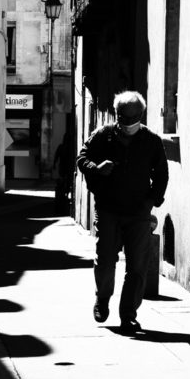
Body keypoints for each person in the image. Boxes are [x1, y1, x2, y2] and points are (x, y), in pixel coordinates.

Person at [76, 91, 168, 335]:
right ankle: (102, 299)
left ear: (141, 115)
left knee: (137, 266)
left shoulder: (151, 140)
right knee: (105, 261)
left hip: (138, 212)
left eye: (134, 117)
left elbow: (161, 175)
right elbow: (81, 158)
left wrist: (150, 203)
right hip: (108, 209)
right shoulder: (103, 136)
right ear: (117, 115)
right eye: (124, 118)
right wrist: (97, 168)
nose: (128, 123)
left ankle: (128, 315)